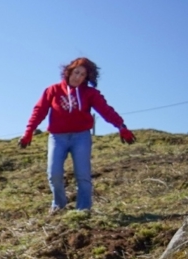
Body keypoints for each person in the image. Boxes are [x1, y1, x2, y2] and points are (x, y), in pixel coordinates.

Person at [20, 57, 135, 213]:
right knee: (54, 173)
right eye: (76, 72)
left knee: (83, 174)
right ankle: (59, 205)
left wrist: (121, 126)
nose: (78, 77)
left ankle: (83, 209)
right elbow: (39, 111)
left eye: (82, 75)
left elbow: (106, 110)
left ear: (86, 78)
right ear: (69, 72)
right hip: (57, 137)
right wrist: (29, 131)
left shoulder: (90, 93)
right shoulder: (52, 90)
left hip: (81, 137)